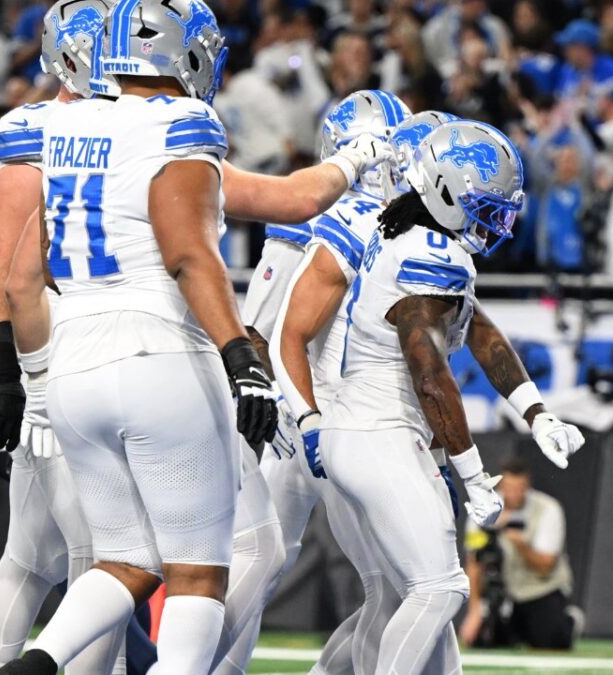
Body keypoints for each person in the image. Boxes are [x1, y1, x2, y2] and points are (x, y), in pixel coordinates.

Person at [0, 0, 280, 670]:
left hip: (74, 362)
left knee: (126, 559)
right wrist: (242, 358)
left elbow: (25, 267)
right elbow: (189, 256)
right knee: (198, 571)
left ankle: (39, 659)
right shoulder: (184, 121)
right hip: (160, 355)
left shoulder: (63, 119)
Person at [320, 119, 583, 674]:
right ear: (444, 192)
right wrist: (472, 474)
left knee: (404, 602)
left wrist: (537, 414)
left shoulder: (420, 237)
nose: (498, 220)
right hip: (379, 429)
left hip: (376, 428)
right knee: (440, 589)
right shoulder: (430, 253)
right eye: (486, 206)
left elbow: (481, 335)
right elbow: (431, 376)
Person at [0, 3, 126, 673]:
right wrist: (12, 379)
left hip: (76, 354)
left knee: (29, 557)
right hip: (67, 358)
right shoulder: (40, 133)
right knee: (106, 556)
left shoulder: (97, 125)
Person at [258, 90, 412, 675]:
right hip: (301, 416)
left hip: (347, 419)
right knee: (262, 560)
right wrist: (276, 404)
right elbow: (265, 329)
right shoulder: (315, 214)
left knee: (397, 584)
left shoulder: (395, 224)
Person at [460, 456, 581, 650]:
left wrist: (520, 544)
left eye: (520, 488)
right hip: (501, 591)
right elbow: (474, 561)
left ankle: (567, 621)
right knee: (480, 640)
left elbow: (545, 567)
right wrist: (474, 611)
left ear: (528, 485)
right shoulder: (484, 509)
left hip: (539, 590)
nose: (514, 494)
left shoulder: (547, 509)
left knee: (551, 641)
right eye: (509, 488)